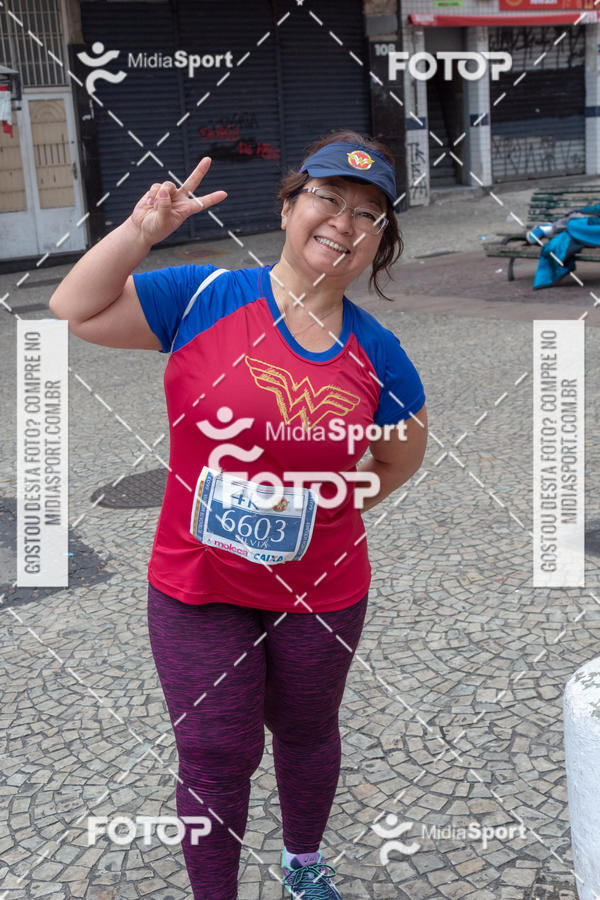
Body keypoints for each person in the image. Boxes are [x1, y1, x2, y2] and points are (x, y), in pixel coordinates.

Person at [49, 129, 428, 900]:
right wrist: (142, 230)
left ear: (379, 242)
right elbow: (74, 307)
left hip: (321, 592)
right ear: (289, 207)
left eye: (368, 213)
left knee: (307, 731)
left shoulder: (380, 354)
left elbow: (396, 463)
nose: (344, 221)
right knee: (214, 752)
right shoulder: (203, 297)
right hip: (198, 583)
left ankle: (303, 863)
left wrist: (323, 506)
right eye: (328, 197)